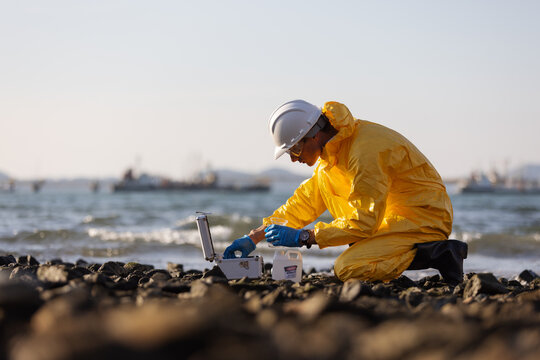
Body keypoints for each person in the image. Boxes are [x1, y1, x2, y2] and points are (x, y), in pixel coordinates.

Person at [224, 100, 467, 284]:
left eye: (295, 150)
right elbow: (303, 204)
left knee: (348, 268)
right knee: (349, 253)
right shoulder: (331, 159)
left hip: (423, 219)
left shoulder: (365, 153)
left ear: (313, 136)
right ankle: (391, 251)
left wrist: (306, 237)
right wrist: (255, 236)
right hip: (393, 219)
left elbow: (364, 221)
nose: (294, 160)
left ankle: (441, 253)